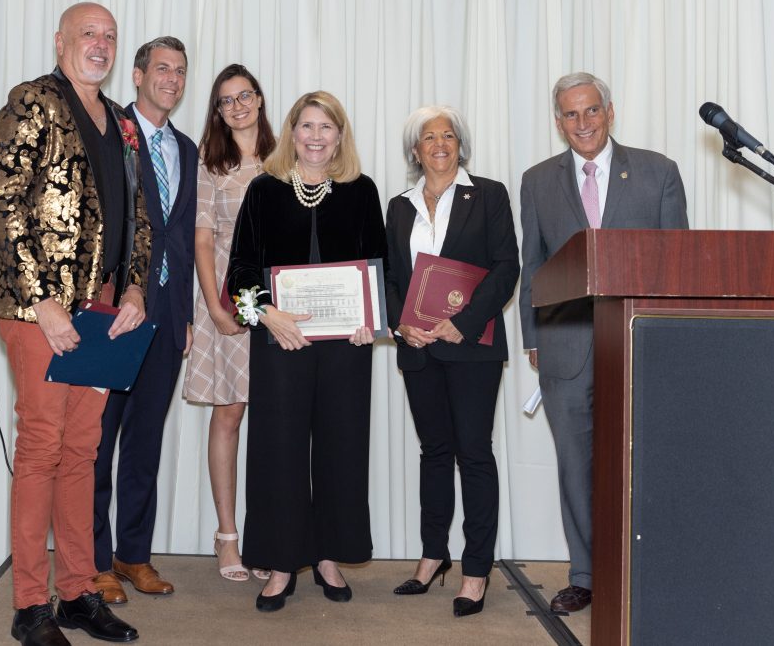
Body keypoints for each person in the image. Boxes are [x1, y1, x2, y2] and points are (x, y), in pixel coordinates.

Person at [0, 2, 148, 646]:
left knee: (83, 451)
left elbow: (139, 213)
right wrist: (42, 300)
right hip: (38, 311)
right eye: (88, 34)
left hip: (102, 311)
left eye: (109, 36)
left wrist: (133, 287)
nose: (100, 44)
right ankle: (30, 606)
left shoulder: (123, 123)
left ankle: (78, 592)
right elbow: (2, 199)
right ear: (60, 42)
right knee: (42, 448)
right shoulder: (32, 103)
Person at [519, 72, 689, 613]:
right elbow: (532, 264)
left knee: (645, 461)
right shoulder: (536, 181)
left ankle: (651, 569)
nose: (583, 122)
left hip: (642, 343)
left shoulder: (659, 171)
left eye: (592, 110)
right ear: (558, 122)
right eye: (571, 114)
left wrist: (672, 338)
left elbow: (678, 264)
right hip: (564, 344)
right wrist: (532, 337)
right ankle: (586, 576)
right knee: (575, 465)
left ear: (610, 113)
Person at [227, 91, 387, 612]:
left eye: (326, 127)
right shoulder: (264, 190)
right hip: (281, 340)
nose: (316, 137)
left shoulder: (362, 191)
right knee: (279, 451)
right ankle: (280, 564)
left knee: (342, 448)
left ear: (340, 136)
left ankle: (328, 557)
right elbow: (240, 271)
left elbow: (379, 267)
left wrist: (370, 321)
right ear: (292, 133)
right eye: (307, 126)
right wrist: (267, 312)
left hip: (347, 346)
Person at [385, 106, 519, 617]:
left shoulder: (488, 195)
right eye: (428, 137)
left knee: (474, 453)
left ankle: (476, 568)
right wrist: (401, 324)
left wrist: (462, 322)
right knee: (434, 453)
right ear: (414, 150)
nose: (439, 144)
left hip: (471, 346)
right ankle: (432, 554)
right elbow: (389, 277)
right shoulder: (399, 206)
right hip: (418, 347)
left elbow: (506, 268)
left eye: (448, 135)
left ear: (460, 145)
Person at [92, 37, 197, 604]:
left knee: (144, 445)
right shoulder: (109, 132)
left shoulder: (188, 148)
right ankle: (94, 563)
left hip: (168, 318)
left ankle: (133, 555)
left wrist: (186, 316)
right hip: (115, 312)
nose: (172, 79)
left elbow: (183, 239)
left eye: (180, 71)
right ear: (137, 75)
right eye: (162, 69)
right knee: (96, 444)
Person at [182, 64, 276, 582]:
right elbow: (201, 240)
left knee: (278, 419)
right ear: (217, 110)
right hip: (225, 297)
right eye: (226, 100)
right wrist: (216, 310)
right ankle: (227, 536)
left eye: (244, 96)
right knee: (230, 413)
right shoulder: (210, 160)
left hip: (279, 304)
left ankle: (269, 538)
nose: (237, 106)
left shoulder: (285, 156)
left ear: (259, 99)